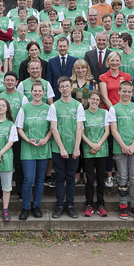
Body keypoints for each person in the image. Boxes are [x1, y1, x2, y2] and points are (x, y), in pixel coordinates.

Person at [107, 81, 134, 220]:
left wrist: (133, 145)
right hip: (120, 148)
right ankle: (123, 205)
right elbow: (113, 129)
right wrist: (123, 145)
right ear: (119, 91)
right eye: (124, 91)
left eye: (129, 91)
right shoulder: (114, 109)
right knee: (123, 176)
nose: (126, 94)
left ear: (132, 93)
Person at [48, 76, 86, 218]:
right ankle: (59, 205)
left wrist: (76, 147)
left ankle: (70, 205)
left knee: (70, 178)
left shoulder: (78, 105)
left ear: (71, 88)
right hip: (58, 149)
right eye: (62, 86)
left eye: (67, 86)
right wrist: (62, 148)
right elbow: (54, 129)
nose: (65, 89)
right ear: (59, 89)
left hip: (73, 148)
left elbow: (79, 128)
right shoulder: (54, 106)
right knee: (59, 178)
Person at [15, 81, 52, 220]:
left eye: (39, 91)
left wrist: (46, 139)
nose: (37, 93)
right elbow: (19, 128)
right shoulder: (24, 108)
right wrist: (27, 139)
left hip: (43, 147)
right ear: (31, 92)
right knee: (28, 179)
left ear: (43, 93)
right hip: (28, 148)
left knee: (40, 179)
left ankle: (36, 206)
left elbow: (51, 129)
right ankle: (25, 208)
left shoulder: (49, 108)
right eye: (34, 91)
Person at [80, 90, 109, 217]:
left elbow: (107, 131)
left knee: (101, 179)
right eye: (93, 99)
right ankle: (89, 205)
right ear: (89, 99)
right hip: (88, 151)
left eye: (97, 100)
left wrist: (98, 145)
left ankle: (101, 205)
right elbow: (80, 132)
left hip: (101, 150)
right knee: (90, 180)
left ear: (100, 102)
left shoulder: (105, 112)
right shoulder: (83, 113)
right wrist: (91, 145)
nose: (95, 102)